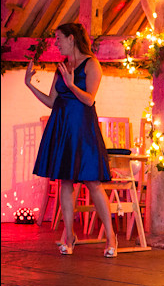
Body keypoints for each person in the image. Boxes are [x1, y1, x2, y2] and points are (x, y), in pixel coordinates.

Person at [28, 23, 118, 257]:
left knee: (93, 183)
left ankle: (111, 237)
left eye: (58, 39)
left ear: (71, 38)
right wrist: (30, 85)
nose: (56, 43)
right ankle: (69, 237)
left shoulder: (92, 64)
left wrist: (71, 84)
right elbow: (51, 101)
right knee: (65, 183)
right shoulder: (62, 67)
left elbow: (89, 99)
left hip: (83, 130)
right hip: (63, 129)